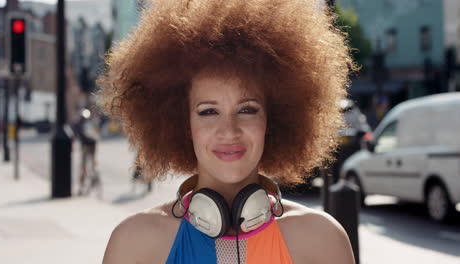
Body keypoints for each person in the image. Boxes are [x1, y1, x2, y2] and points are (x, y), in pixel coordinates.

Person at [98, 0, 356, 263]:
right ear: (183, 124)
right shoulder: (135, 244)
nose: (229, 131)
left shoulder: (321, 240)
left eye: (247, 109)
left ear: (273, 118)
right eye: (208, 111)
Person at [74, 106, 101, 195]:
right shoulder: (89, 123)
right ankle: (84, 185)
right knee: (86, 167)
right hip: (89, 146)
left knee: (85, 167)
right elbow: (96, 135)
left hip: (87, 146)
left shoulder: (83, 124)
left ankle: (83, 186)